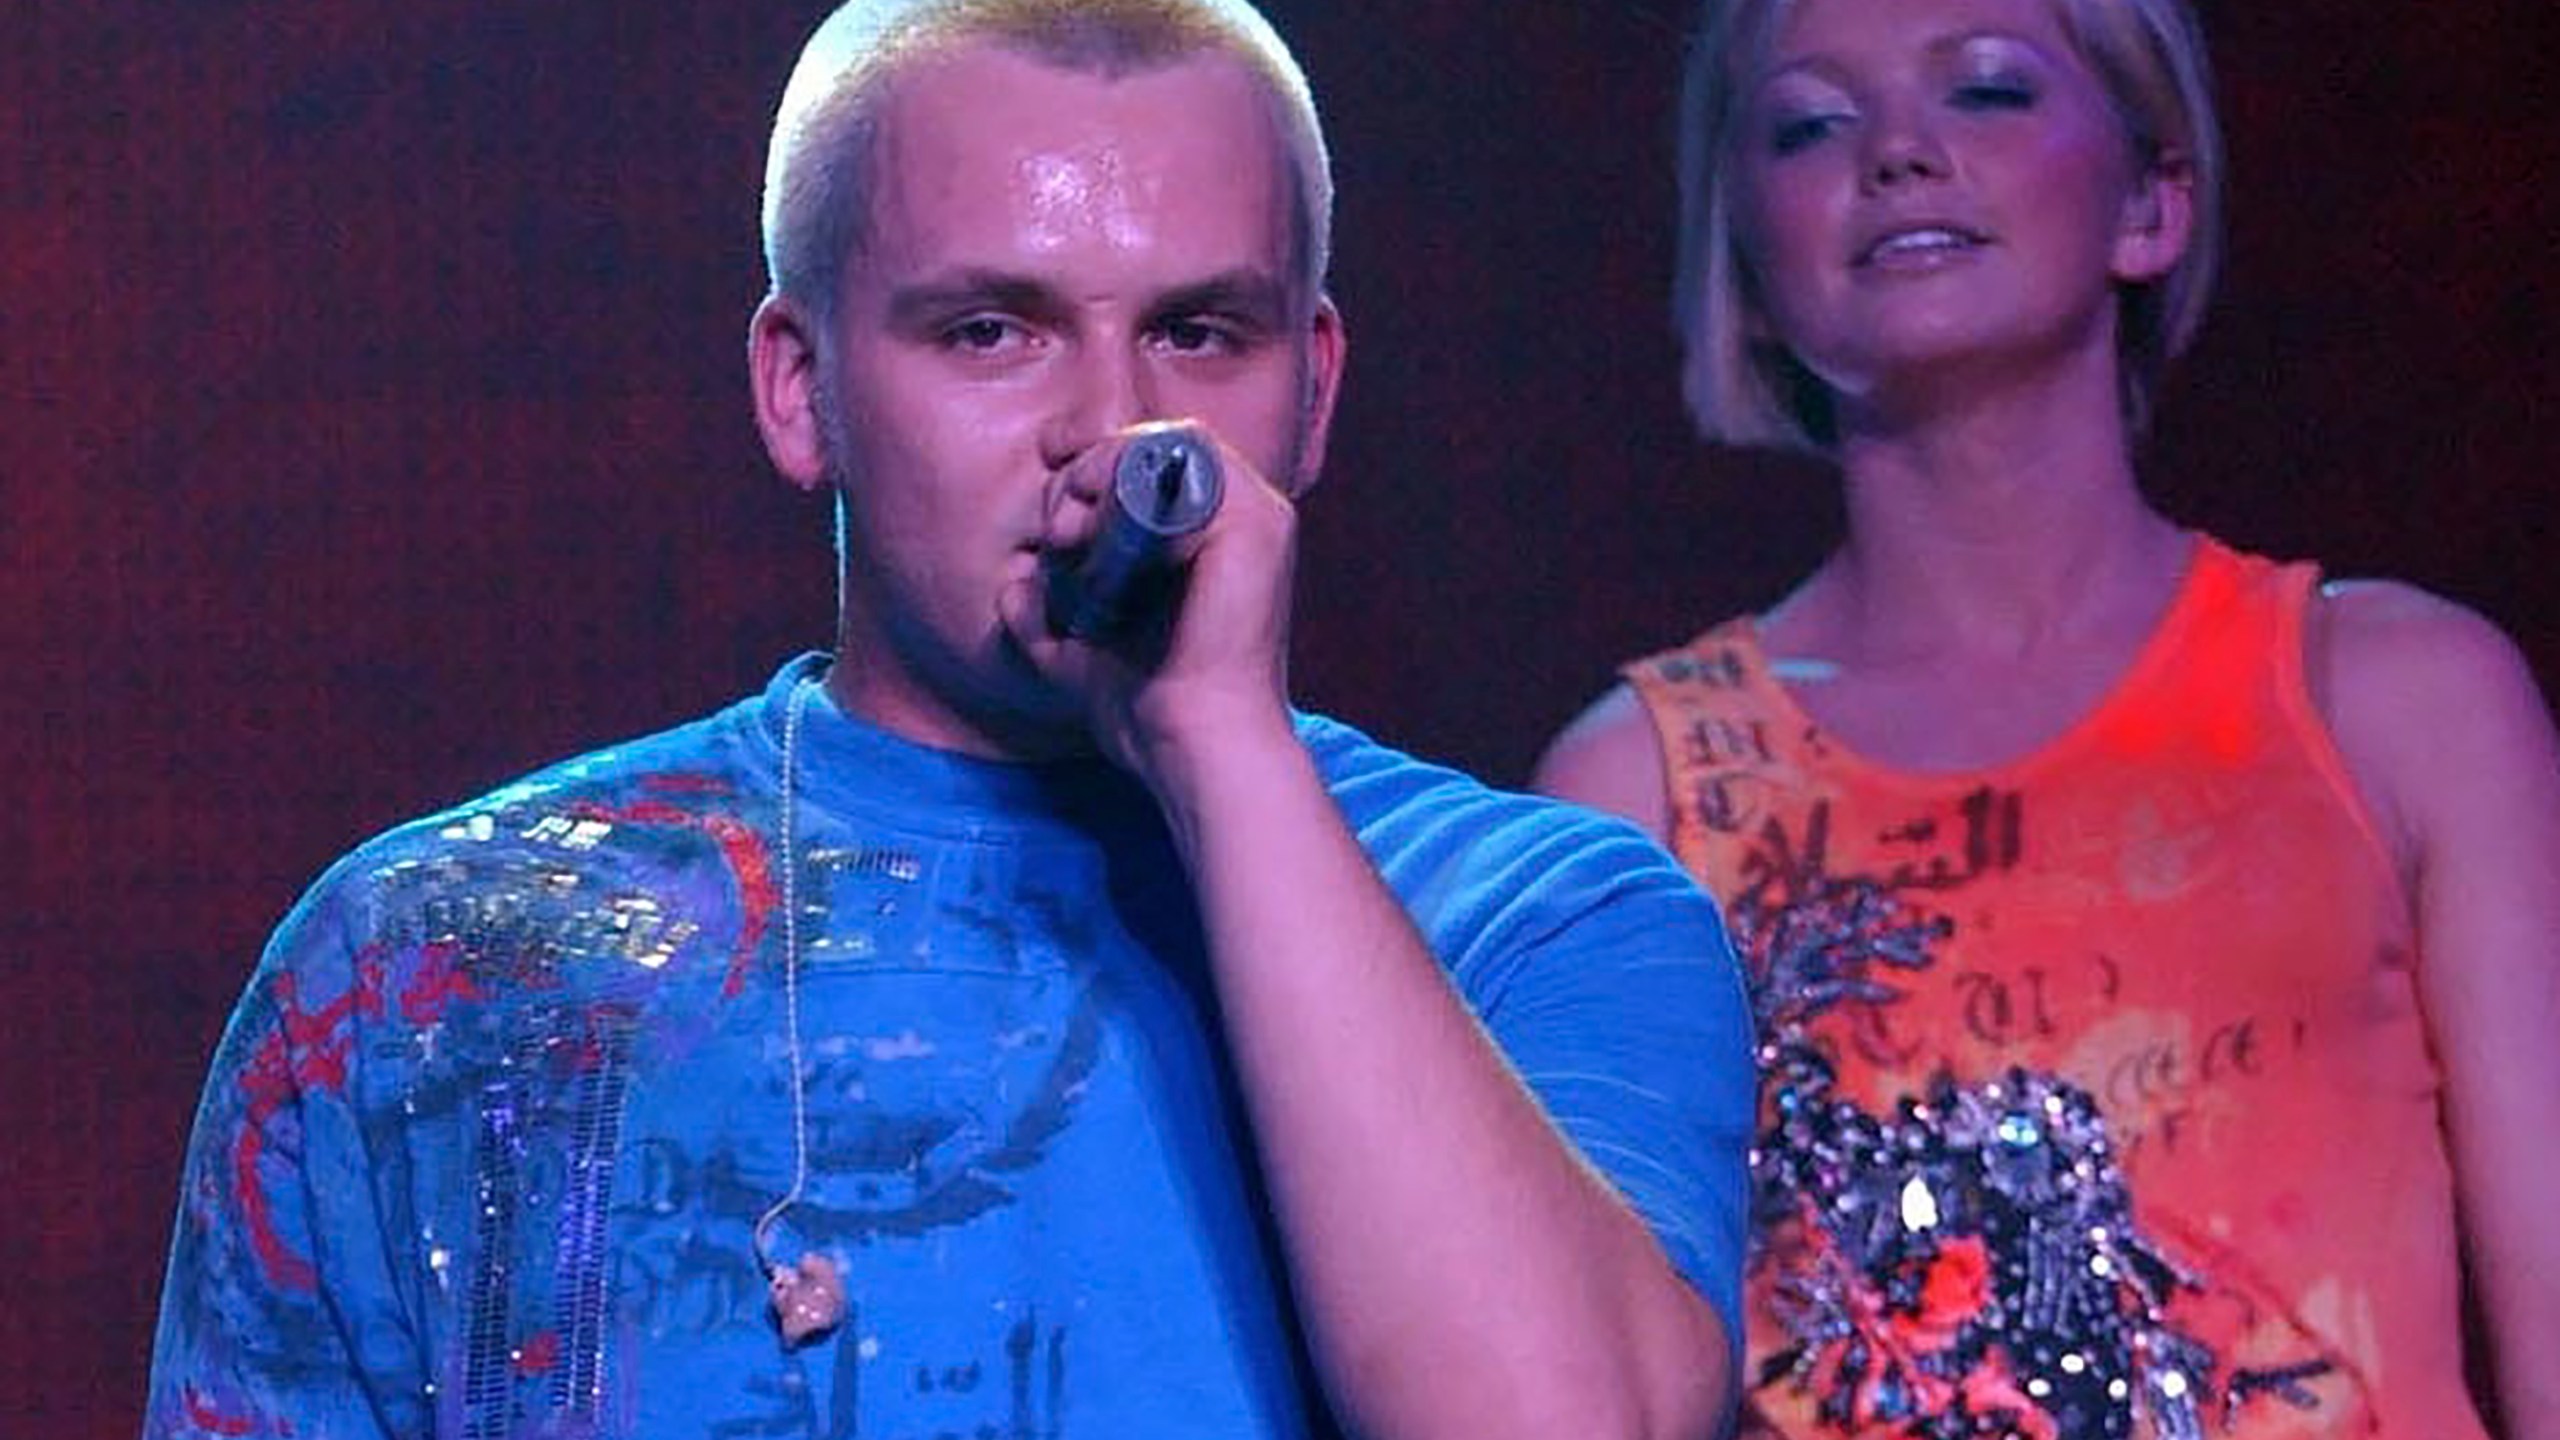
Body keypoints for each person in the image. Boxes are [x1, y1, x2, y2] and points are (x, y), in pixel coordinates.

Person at [142, 2, 1757, 1436]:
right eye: (992, 329)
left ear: (1314, 389)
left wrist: (1217, 743)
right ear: (801, 388)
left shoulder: (1546, 918)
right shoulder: (433, 959)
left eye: (1199, 333)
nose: (1115, 431)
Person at [1533, 0, 2560, 1435]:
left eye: (1990, 92)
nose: (1898, 153)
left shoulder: (2401, 700)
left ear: (2152, 197)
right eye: (1812, 123)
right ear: (1749, 260)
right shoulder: (1642, 791)